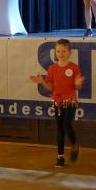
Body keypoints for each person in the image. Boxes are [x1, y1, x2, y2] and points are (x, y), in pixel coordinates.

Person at [30, 39, 84, 167]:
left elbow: (78, 87)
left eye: (63, 51)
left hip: (70, 101)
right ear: (55, 52)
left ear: (69, 52)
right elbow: (50, 88)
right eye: (58, 51)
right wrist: (42, 82)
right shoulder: (52, 68)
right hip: (57, 102)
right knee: (60, 128)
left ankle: (74, 144)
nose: (61, 54)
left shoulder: (74, 67)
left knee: (66, 124)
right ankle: (60, 157)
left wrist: (78, 84)